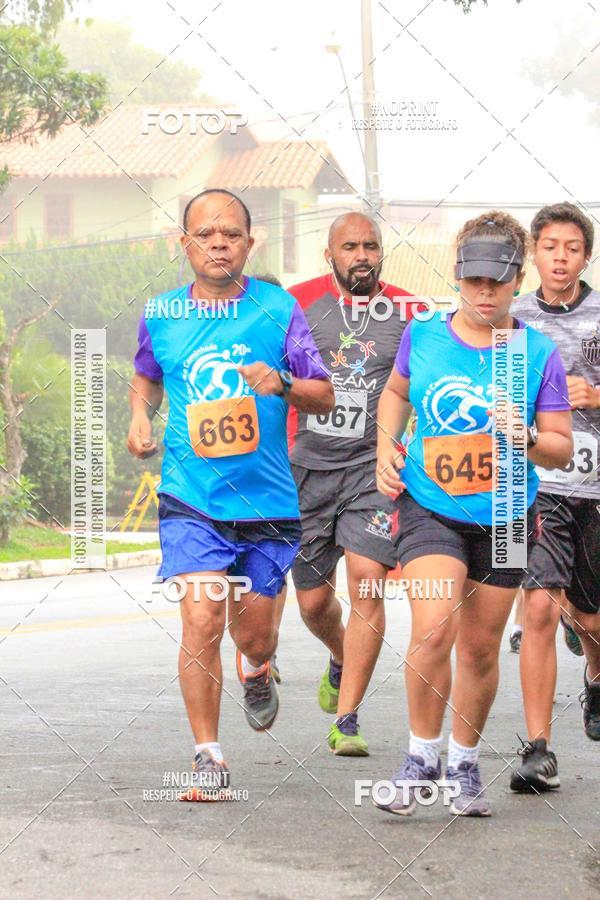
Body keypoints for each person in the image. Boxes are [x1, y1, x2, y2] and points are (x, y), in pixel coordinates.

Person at [127, 189, 333, 791]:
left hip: (267, 502)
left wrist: (284, 382)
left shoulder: (279, 309)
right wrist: (140, 418)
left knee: (254, 632)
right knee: (200, 615)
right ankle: (208, 755)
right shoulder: (161, 313)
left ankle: (259, 665)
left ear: (250, 241)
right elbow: (147, 375)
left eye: (231, 234)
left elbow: (324, 395)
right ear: (184, 242)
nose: (218, 243)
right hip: (190, 498)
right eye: (205, 234)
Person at [375, 211, 572, 817]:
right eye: (473, 280)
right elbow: (396, 394)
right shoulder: (425, 334)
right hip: (431, 505)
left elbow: (560, 448)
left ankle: (463, 762)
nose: (484, 293)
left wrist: (529, 438)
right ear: (458, 275)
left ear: (517, 278)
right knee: (434, 626)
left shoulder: (536, 353)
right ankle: (419, 757)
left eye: (497, 281)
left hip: (510, 513)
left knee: (482, 648)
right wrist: (386, 444)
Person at [287, 212, 419, 756]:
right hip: (307, 470)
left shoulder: (410, 312)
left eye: (370, 246)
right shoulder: (297, 306)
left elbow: (428, 383)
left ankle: (347, 720)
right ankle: (339, 657)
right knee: (314, 604)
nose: (361, 255)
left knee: (367, 580)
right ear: (329, 255)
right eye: (350, 247)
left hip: (371, 467)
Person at [512, 202, 600, 795]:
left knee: (591, 616)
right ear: (534, 255)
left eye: (572, 247)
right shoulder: (512, 317)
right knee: (539, 607)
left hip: (593, 485)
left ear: (586, 256)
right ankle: (537, 748)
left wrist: (593, 393)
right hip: (536, 485)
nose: (560, 257)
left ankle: (594, 672)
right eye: (550, 246)